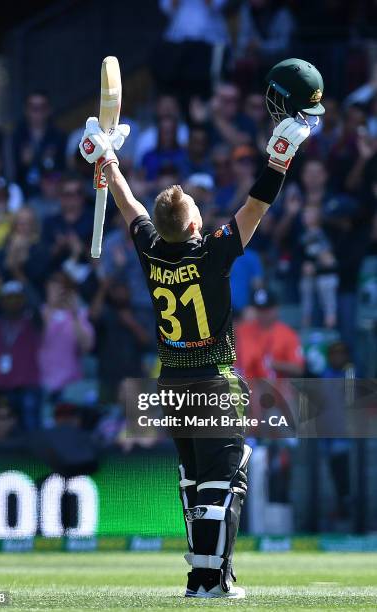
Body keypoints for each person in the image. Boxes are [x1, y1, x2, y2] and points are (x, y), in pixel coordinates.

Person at [79, 57, 322, 598]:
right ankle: (209, 582)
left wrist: (108, 161)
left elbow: (129, 204)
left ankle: (205, 575)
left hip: (171, 383)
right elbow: (255, 207)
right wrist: (277, 162)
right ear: (193, 223)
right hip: (213, 379)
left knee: (194, 484)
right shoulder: (211, 254)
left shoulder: (149, 249)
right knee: (224, 481)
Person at [0, 281, 42, 431]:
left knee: (30, 428)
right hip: (2, 386)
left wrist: (24, 287)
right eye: (8, 299)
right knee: (4, 431)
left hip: (28, 386)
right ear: (1, 302)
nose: (12, 302)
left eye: (16, 299)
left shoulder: (32, 323)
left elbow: (36, 309)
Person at [39, 271, 94, 401]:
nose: (59, 291)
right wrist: (51, 308)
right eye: (54, 286)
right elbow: (35, 341)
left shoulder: (80, 315)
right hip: (41, 385)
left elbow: (87, 347)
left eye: (63, 287)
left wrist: (74, 314)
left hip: (71, 386)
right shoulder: (39, 313)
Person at [236, 288, 305, 379]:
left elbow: (298, 369)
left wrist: (273, 364)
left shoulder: (287, 334)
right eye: (259, 310)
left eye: (266, 310)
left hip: (273, 388)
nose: (263, 314)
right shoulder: (242, 330)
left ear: (276, 308)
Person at [11, 91, 66, 198]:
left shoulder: (58, 136)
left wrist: (53, 178)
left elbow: (63, 169)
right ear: (26, 110)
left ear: (49, 110)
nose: (37, 112)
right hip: (23, 192)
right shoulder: (16, 136)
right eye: (33, 108)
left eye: (42, 108)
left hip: (53, 192)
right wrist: (23, 163)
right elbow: (10, 172)